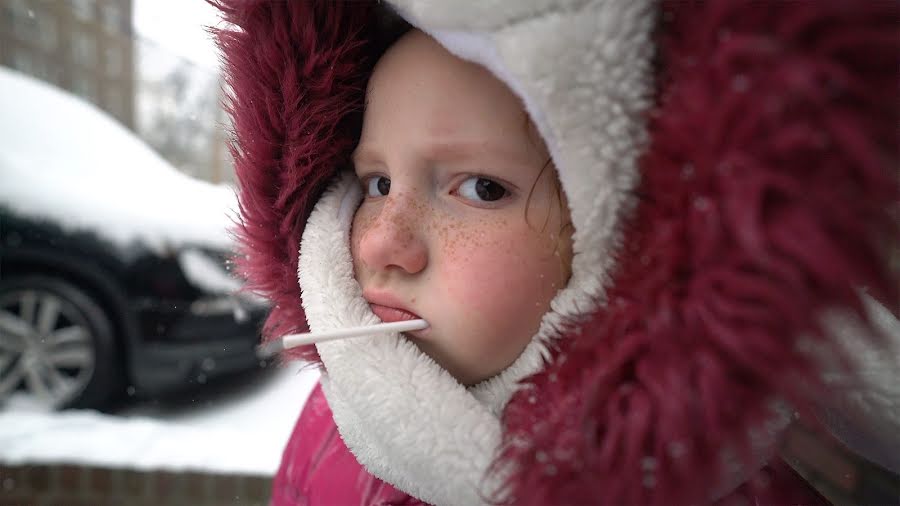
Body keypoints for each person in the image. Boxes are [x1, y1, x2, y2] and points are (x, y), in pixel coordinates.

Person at [212, 1, 899, 505]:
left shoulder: (727, 483)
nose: (382, 242)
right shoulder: (332, 422)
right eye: (376, 182)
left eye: (481, 188)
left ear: (624, 244)